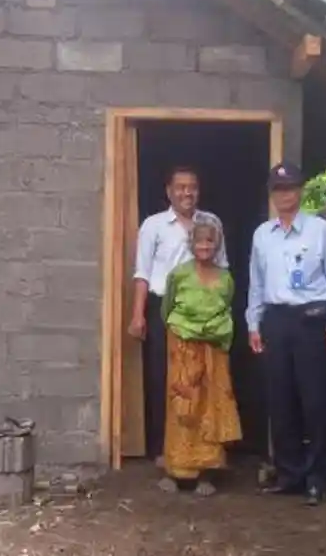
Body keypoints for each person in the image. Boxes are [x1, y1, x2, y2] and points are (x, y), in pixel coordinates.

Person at [247, 162, 326, 506]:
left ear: (300, 191)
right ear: (271, 194)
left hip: (312, 321)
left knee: (317, 400)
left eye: (290, 188)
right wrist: (253, 323)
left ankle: (318, 477)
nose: (284, 195)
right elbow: (257, 284)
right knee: (280, 400)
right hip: (276, 322)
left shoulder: (319, 230)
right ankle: (290, 474)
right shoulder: (263, 235)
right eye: (278, 189)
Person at [129, 166, 228, 468]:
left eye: (193, 187)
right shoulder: (154, 225)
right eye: (181, 187)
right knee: (167, 379)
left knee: (203, 380)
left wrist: (220, 314)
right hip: (166, 310)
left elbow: (223, 269)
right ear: (169, 191)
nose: (187, 193)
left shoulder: (211, 223)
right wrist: (138, 315)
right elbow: (142, 273)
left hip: (205, 313)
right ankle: (165, 451)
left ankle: (202, 452)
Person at [158, 219, 242, 496]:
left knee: (211, 405)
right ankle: (175, 470)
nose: (204, 247)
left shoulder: (225, 278)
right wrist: (182, 336)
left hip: (213, 350)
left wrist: (212, 333)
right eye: (199, 241)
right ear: (191, 244)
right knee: (182, 404)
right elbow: (166, 309)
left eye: (209, 242)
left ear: (216, 245)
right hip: (183, 348)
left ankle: (206, 472)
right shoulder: (179, 275)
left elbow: (227, 306)